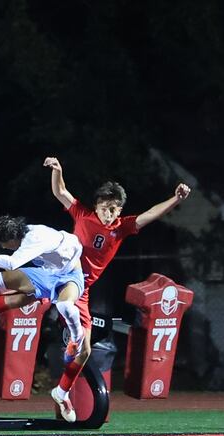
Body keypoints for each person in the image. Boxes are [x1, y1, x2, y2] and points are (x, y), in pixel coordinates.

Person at [44, 156, 191, 420]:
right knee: (31, 296)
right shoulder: (82, 214)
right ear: (97, 206)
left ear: (120, 211)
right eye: (105, 207)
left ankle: (61, 391)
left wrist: (176, 199)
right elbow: (60, 191)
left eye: (115, 209)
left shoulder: (120, 228)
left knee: (85, 350)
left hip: (81, 290)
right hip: (61, 277)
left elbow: (150, 215)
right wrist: (58, 170)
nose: (109, 213)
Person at [0, 215, 87, 422]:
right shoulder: (26, 231)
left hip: (72, 275)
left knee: (64, 304)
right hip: (48, 273)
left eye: (4, 245)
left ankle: (76, 337)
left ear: (10, 240)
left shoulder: (33, 239)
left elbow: (11, 263)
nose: (6, 248)